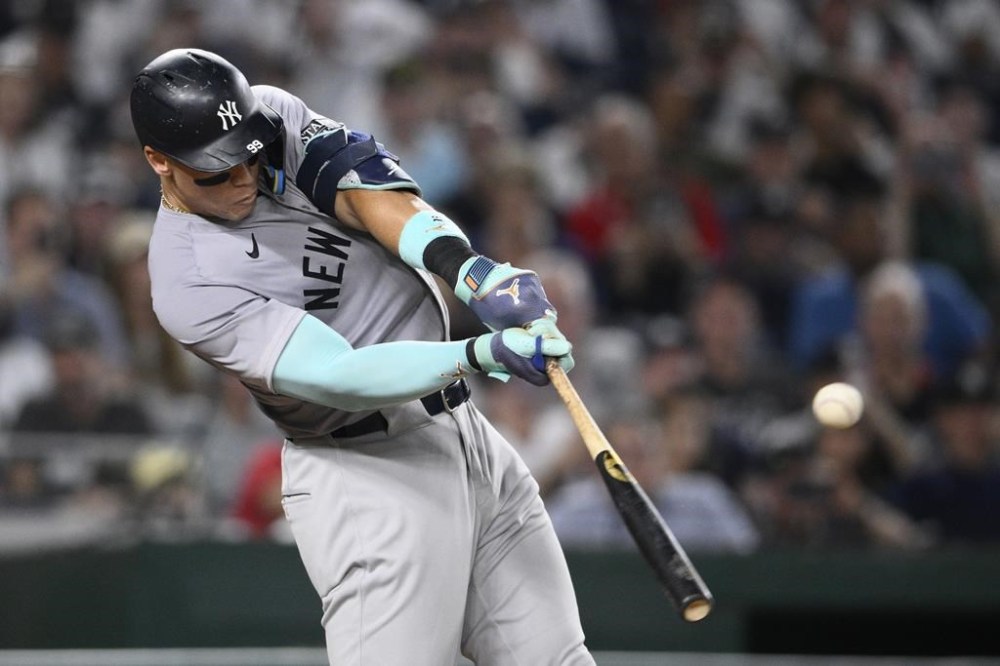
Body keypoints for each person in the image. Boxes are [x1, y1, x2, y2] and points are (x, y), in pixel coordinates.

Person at [129, 48, 590, 665]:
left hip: (466, 434)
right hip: (368, 471)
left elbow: (368, 195)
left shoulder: (269, 115)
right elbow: (340, 376)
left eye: (249, 157)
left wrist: (472, 273)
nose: (242, 178)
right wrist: (483, 351)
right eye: (216, 171)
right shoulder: (186, 283)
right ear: (158, 160)